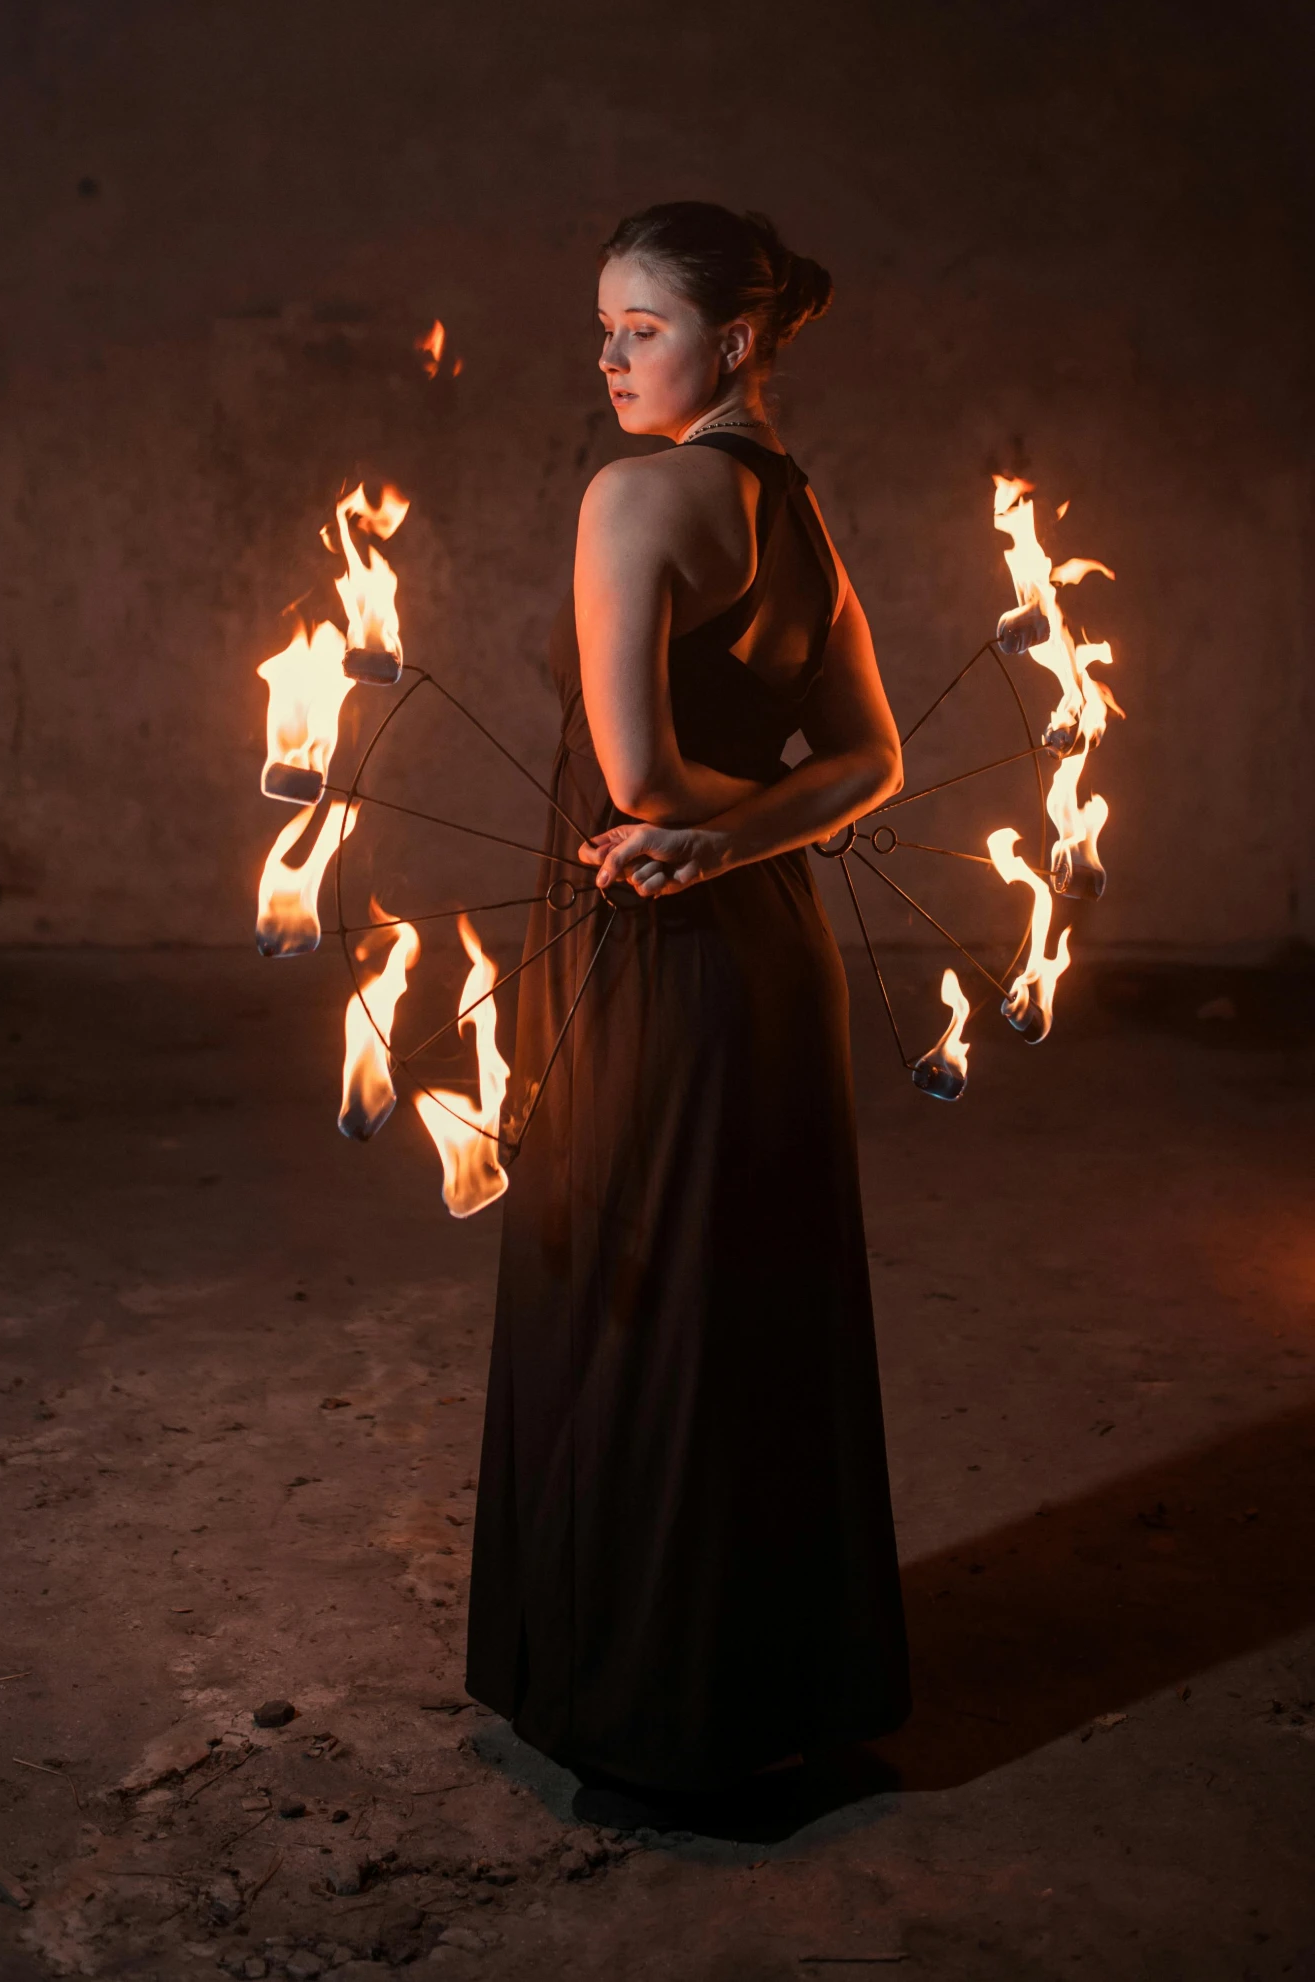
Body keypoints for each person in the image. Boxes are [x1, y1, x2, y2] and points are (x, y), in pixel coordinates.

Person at [464, 200, 911, 1823]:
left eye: (636, 328)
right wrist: (746, 839)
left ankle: (644, 1730)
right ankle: (771, 1702)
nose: (606, 356)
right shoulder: (793, 513)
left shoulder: (634, 496)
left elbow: (637, 776)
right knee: (757, 1308)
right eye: (601, 326)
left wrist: (696, 833)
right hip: (771, 948)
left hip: (648, 938)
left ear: (730, 340)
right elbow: (871, 764)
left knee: (635, 1313)